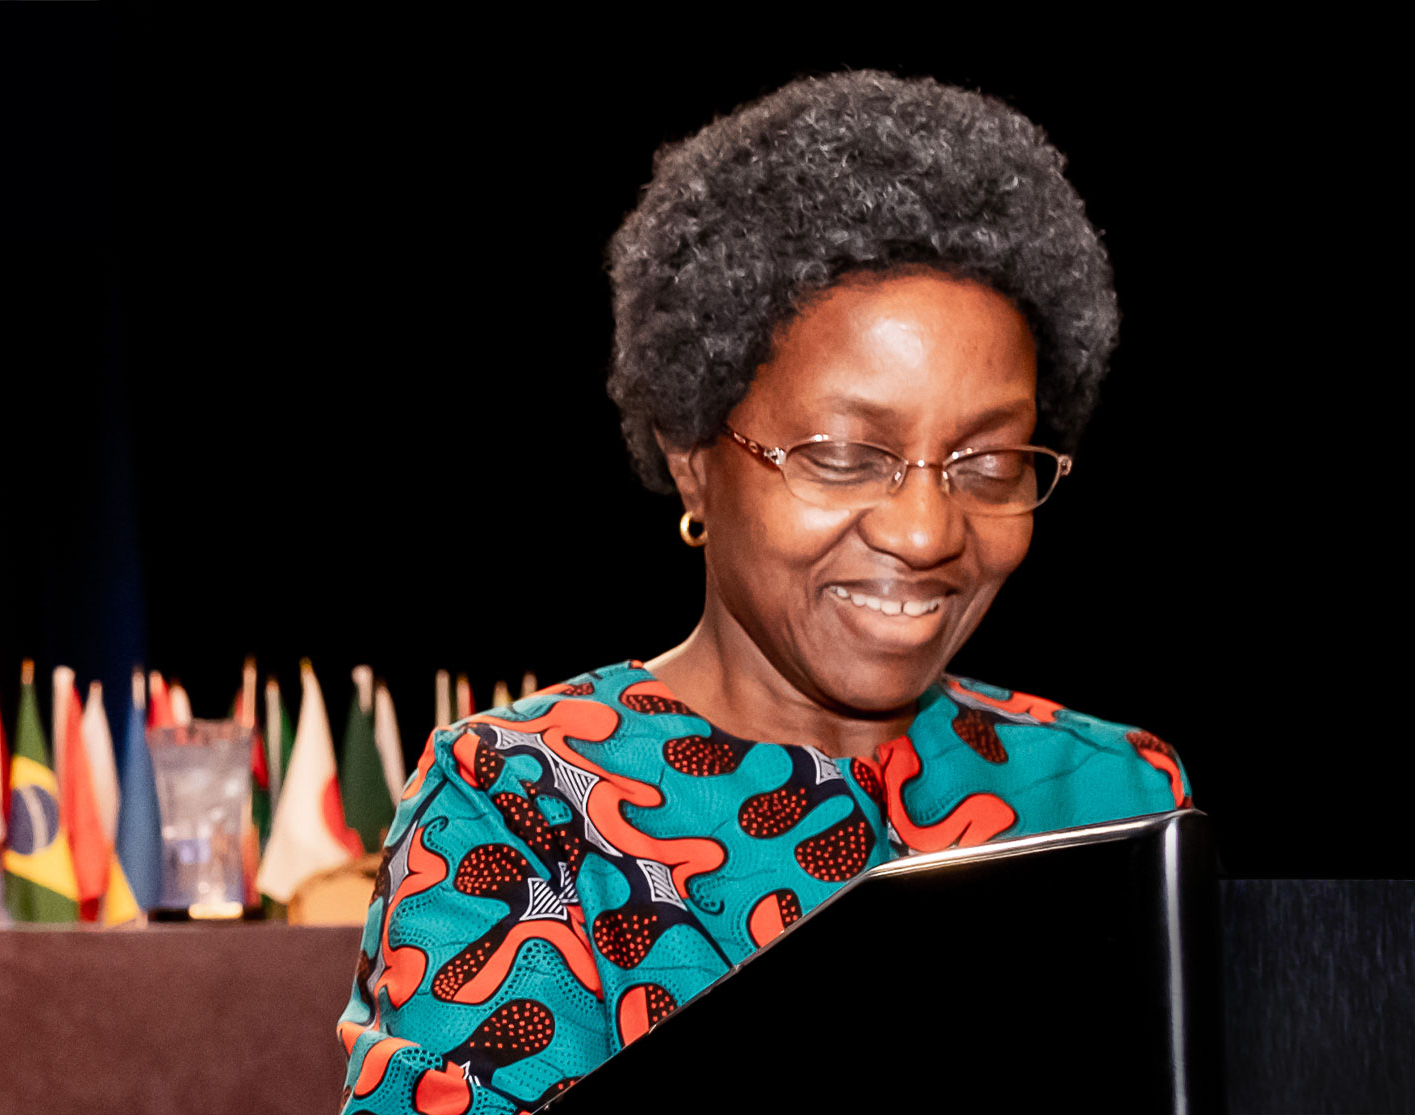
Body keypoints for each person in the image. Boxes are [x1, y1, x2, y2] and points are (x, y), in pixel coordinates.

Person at [336, 71, 1191, 1115]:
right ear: (693, 453)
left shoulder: (1110, 797)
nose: (925, 532)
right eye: (842, 455)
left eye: (987, 461)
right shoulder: (523, 806)